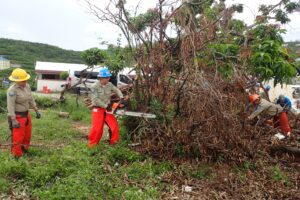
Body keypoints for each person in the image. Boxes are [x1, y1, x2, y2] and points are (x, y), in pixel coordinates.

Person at [7, 68, 41, 157]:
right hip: (18, 116)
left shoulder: (27, 86)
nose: (25, 82)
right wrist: (13, 120)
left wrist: (36, 109)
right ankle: (17, 155)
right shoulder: (12, 90)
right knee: (18, 137)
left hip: (26, 114)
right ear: (16, 81)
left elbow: (30, 98)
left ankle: (24, 149)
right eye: (22, 81)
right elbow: (10, 106)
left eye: (25, 80)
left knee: (27, 135)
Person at [88, 68, 124, 147]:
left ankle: (114, 143)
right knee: (97, 129)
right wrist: (105, 106)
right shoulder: (94, 86)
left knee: (114, 126)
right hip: (97, 108)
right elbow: (95, 99)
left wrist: (121, 97)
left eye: (108, 77)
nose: (108, 79)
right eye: (106, 78)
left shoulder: (109, 84)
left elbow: (116, 90)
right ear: (101, 78)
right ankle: (92, 145)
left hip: (107, 109)